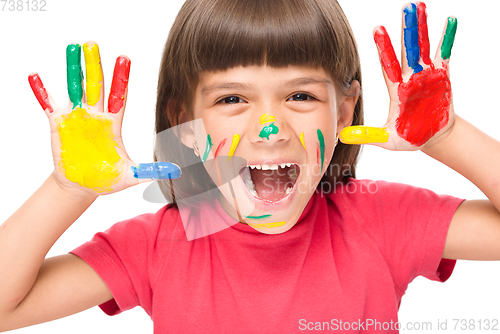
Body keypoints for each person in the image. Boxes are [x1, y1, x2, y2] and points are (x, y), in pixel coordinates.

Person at [1, 0, 499, 333]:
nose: (270, 127)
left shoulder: (379, 219)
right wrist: (68, 189)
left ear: (344, 112)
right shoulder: (162, 242)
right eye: (233, 98)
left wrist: (447, 136)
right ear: (185, 119)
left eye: (300, 95)